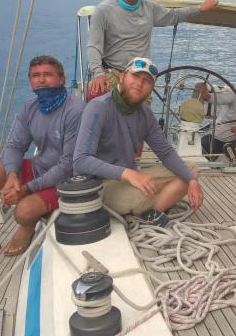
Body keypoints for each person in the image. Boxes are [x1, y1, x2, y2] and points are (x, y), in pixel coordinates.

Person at [0, 55, 85, 265]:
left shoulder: (75, 110)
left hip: (68, 180)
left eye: (48, 75)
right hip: (40, 169)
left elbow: (68, 165)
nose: (41, 80)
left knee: (24, 212)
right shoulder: (30, 108)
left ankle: (28, 225)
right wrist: (12, 175)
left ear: (61, 79)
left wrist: (26, 189)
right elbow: (14, 146)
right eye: (35, 75)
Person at [74, 57, 203, 226]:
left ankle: (150, 212)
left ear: (151, 88)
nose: (140, 84)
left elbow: (165, 152)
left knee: (191, 171)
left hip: (129, 179)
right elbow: (80, 161)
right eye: (135, 76)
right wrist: (127, 173)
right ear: (122, 77)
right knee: (142, 195)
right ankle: (149, 206)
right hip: (101, 185)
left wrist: (192, 182)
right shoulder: (99, 107)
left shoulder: (145, 114)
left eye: (147, 81)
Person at [87, 0, 219, 98]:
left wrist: (200, 8)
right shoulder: (103, 10)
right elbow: (94, 46)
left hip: (139, 73)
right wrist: (98, 74)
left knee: (141, 114)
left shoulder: (149, 9)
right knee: (98, 97)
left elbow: (174, 16)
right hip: (113, 71)